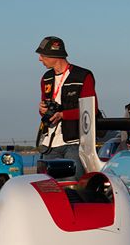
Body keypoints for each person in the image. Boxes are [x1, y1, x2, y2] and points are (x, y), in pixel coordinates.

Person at [36, 36, 96, 178]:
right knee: (48, 187)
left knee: (73, 186)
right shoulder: (46, 78)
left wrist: (63, 115)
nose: (39, 59)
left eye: (43, 55)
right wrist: (42, 110)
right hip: (49, 143)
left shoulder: (83, 76)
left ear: (54, 56)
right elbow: (43, 108)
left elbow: (91, 110)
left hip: (75, 141)